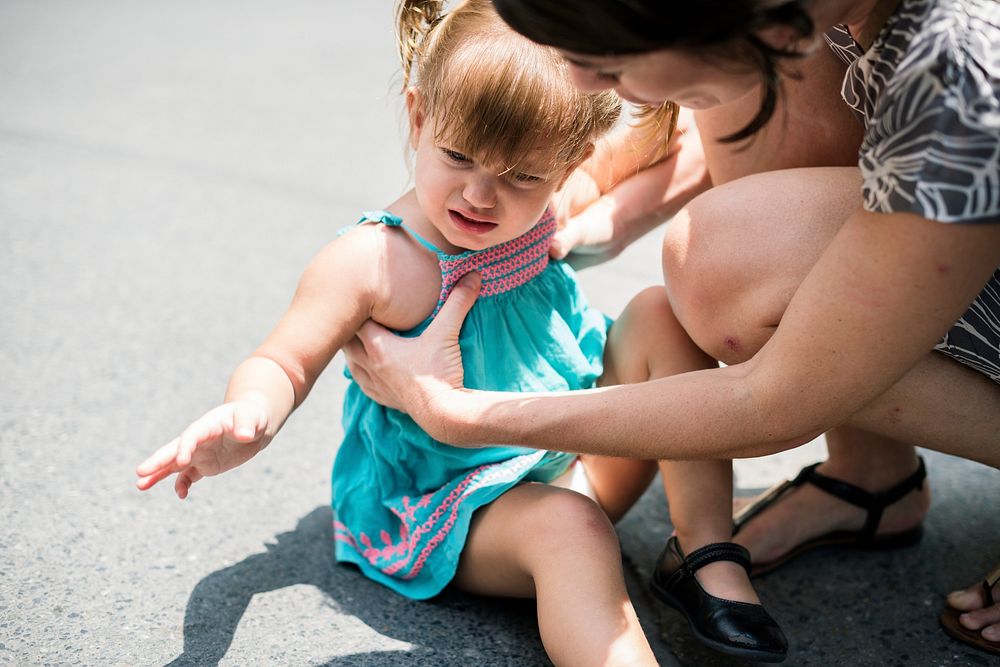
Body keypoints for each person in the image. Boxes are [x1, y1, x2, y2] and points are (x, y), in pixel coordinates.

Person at [340, 0, 1000, 657]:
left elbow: (770, 398)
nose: (585, 83)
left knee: (711, 267)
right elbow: (719, 96)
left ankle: (714, 546)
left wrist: (457, 413)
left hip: (967, 141)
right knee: (730, 207)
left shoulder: (963, 72)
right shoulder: (808, 19)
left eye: (607, 60)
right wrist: (600, 204)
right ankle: (870, 472)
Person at [136, 1, 685, 664]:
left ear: (567, 165)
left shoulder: (549, 206)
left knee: (659, 309)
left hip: (571, 456)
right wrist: (249, 411)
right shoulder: (373, 260)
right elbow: (283, 359)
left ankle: (708, 557)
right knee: (570, 528)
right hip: (455, 512)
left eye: (521, 175)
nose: (480, 196)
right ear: (420, 115)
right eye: (459, 156)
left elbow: (670, 147)